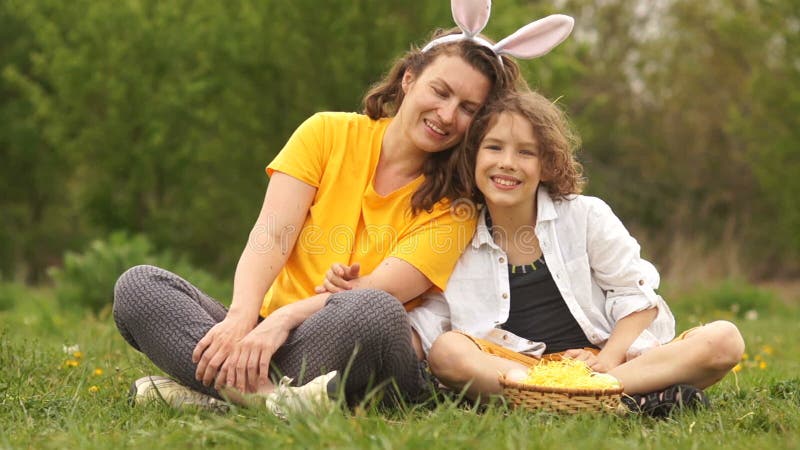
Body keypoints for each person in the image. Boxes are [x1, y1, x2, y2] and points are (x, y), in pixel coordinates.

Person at [113, 1, 575, 414]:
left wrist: (281, 321)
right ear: (409, 79)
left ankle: (220, 393)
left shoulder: (456, 203)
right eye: (441, 91)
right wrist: (240, 320)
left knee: (372, 310)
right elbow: (271, 235)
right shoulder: (326, 132)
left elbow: (378, 290)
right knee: (140, 287)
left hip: (360, 345)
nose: (447, 114)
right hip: (270, 337)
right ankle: (271, 401)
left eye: (468, 107)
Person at [323, 90, 745, 417]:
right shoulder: (453, 231)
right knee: (449, 351)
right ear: (472, 157)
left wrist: (606, 361)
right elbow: (431, 320)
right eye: (494, 148)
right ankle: (624, 400)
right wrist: (358, 295)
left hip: (606, 364)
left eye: (526, 152)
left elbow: (637, 299)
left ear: (546, 164)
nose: (508, 163)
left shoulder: (584, 215)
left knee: (724, 339)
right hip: (515, 370)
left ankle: (596, 395)